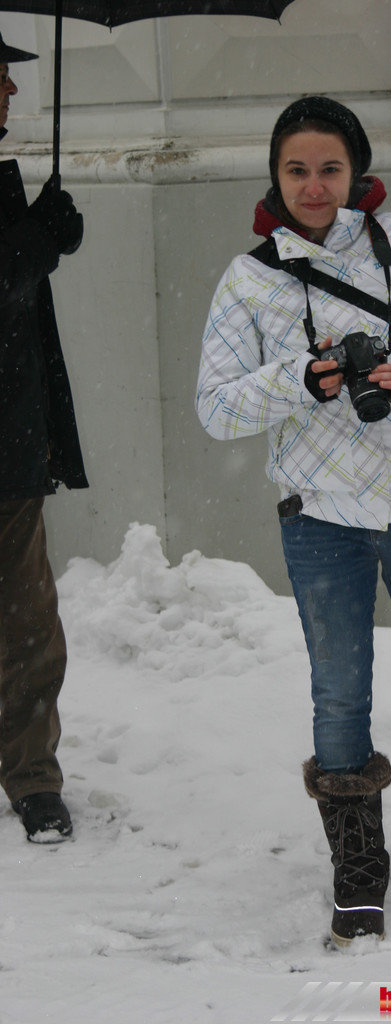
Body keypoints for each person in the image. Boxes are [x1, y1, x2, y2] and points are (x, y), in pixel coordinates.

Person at [196, 96, 391, 946]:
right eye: (296, 169)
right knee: (338, 694)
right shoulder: (251, 279)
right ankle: (358, 864)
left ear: (355, 170)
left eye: (329, 168)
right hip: (321, 516)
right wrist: (299, 378)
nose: (313, 185)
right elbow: (216, 408)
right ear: (275, 174)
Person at [1, 31, 87, 842]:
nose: (10, 91)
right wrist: (36, 240)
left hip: (10, 444)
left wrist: (38, 233)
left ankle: (32, 776)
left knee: (26, 618)